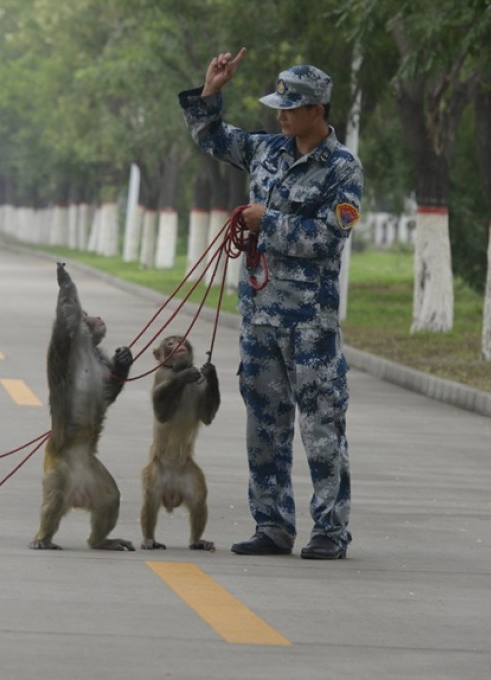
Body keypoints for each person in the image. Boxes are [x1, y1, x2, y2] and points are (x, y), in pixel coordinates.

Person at [177, 48, 363, 559]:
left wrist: (269, 223)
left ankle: (330, 530)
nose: (280, 115)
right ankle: (273, 526)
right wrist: (210, 91)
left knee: (322, 428)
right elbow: (214, 138)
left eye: (290, 107)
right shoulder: (266, 151)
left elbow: (330, 237)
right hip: (260, 318)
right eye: (278, 105)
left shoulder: (343, 170)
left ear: (317, 111)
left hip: (310, 324)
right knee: (265, 426)